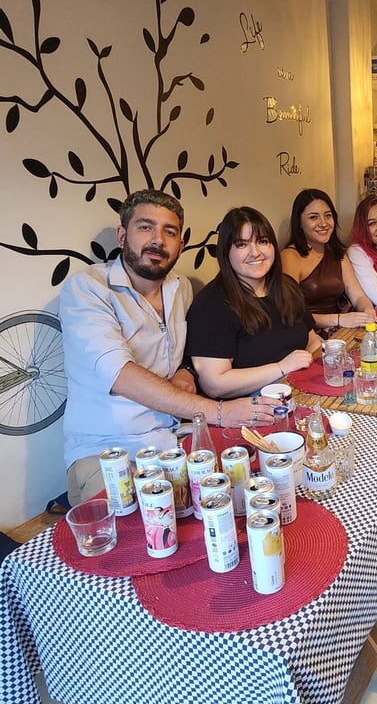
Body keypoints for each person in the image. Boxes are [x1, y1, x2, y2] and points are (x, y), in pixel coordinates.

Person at [60, 190, 270, 507]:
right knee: (139, 543)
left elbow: (187, 351)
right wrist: (220, 412)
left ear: (180, 245)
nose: (157, 240)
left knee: (253, 493)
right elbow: (122, 376)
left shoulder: (180, 287)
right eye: (145, 227)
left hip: (175, 441)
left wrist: (185, 371)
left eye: (169, 232)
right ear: (122, 235)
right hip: (109, 453)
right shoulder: (87, 288)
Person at [186, 206, 322, 399]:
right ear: (226, 252)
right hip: (249, 412)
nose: (255, 252)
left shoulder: (287, 287)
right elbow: (215, 384)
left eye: (263, 241)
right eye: (242, 244)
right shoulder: (211, 305)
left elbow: (313, 341)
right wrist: (281, 368)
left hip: (300, 394)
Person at [281, 189, 377, 336]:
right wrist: (339, 319)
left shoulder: (337, 255)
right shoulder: (290, 256)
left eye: (328, 216)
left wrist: (368, 312)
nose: (323, 223)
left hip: (339, 331)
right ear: (299, 222)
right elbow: (292, 313)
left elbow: (358, 297)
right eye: (314, 217)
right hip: (308, 335)